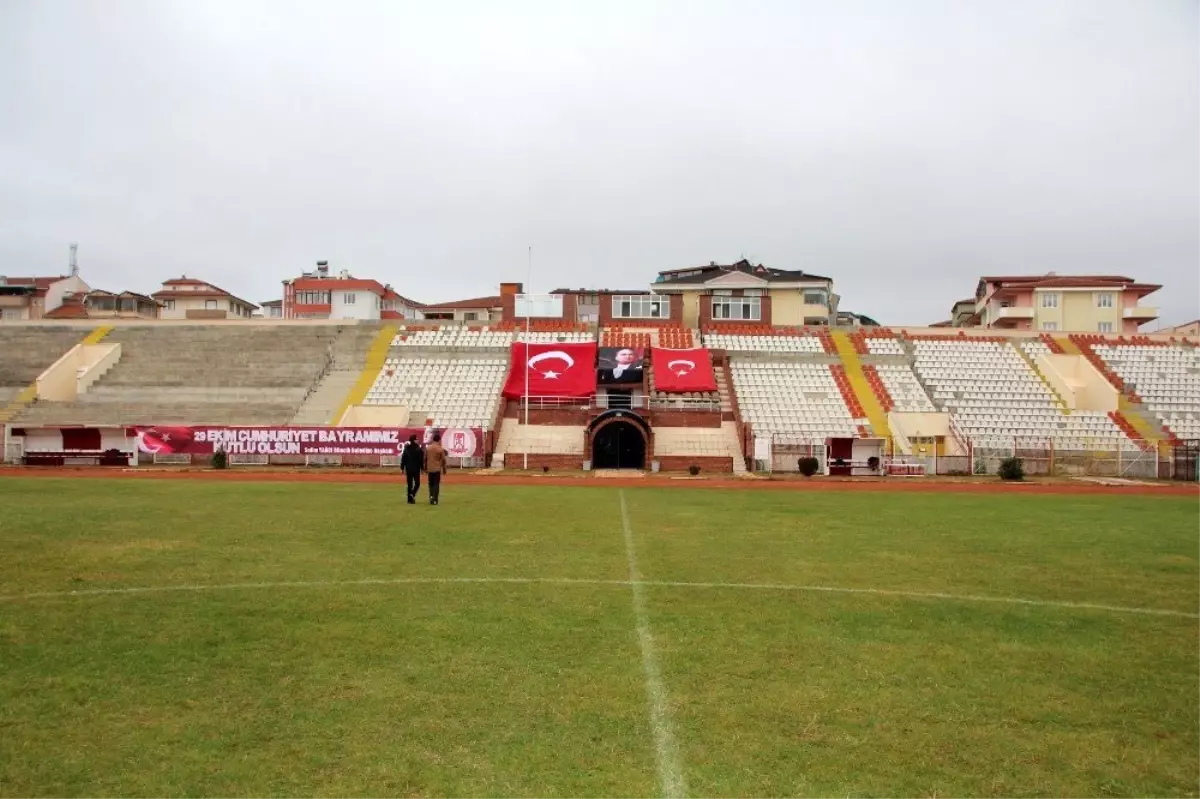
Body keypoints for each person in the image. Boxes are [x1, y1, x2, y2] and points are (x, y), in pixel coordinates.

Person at [424, 432, 448, 506]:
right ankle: (435, 499)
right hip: (437, 469)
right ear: (439, 440)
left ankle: (431, 497)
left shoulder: (428, 448)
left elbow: (425, 459)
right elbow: (443, 460)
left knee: (430, 483)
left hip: (430, 468)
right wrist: (444, 469)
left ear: (433, 440)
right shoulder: (440, 449)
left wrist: (425, 468)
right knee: (436, 484)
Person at [400, 434, 424, 504]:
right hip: (416, 469)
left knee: (409, 484)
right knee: (417, 484)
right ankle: (412, 495)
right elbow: (421, 460)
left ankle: (409, 498)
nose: (417, 440)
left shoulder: (406, 448)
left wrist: (402, 467)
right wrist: (422, 468)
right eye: (416, 439)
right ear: (413, 440)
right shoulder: (419, 449)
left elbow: (403, 459)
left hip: (408, 469)